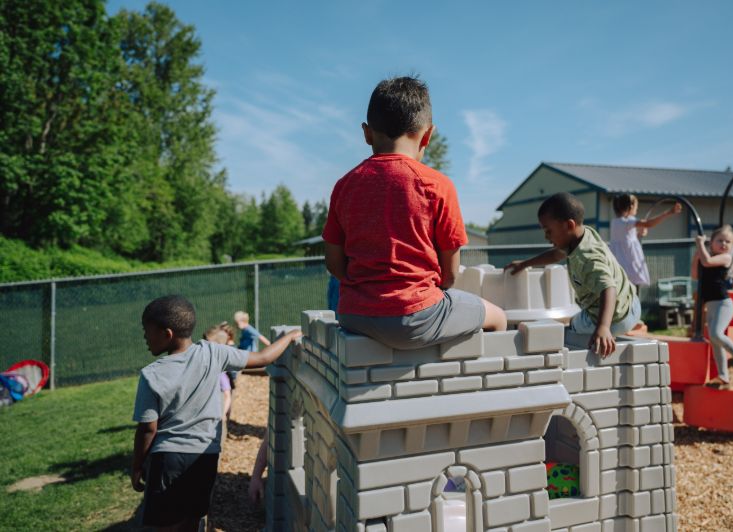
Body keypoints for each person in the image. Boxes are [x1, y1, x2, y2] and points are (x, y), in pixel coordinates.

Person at [322, 75, 506, 349]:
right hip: (415, 316)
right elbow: (450, 274)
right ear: (428, 135)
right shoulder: (437, 184)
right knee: (498, 317)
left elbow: (334, 264)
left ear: (367, 133)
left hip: (353, 314)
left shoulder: (344, 185)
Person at [131, 295, 301, 531]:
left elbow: (148, 429)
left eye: (147, 331)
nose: (145, 337)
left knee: (163, 524)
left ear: (167, 334)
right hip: (206, 456)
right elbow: (264, 357)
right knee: (193, 520)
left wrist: (137, 465)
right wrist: (292, 336)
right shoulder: (213, 353)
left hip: (167, 459)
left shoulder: (151, 375)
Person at [504, 192, 640, 358]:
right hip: (632, 304)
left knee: (573, 325)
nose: (546, 236)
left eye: (548, 231)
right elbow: (555, 255)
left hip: (616, 319)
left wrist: (603, 327)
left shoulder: (588, 257)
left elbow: (608, 288)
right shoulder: (581, 236)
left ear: (569, 225)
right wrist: (526, 263)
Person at [693, 226, 733, 389]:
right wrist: (697, 252)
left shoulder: (725, 258)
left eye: (728, 241)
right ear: (711, 242)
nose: (723, 244)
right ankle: (723, 376)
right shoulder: (708, 255)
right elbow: (695, 275)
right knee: (715, 340)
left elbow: (707, 262)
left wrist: (700, 245)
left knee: (715, 334)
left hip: (723, 304)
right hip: (712, 305)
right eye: (719, 240)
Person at [609, 194, 682, 289]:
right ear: (631, 207)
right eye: (636, 206)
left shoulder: (615, 222)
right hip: (630, 267)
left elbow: (628, 237)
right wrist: (668, 212)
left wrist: (638, 233)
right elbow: (647, 224)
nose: (637, 209)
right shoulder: (628, 221)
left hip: (618, 265)